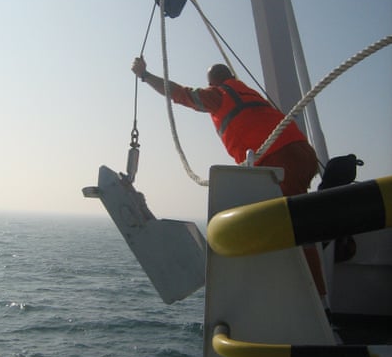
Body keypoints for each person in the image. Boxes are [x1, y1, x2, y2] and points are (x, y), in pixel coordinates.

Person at [132, 57, 327, 296]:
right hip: (304, 155)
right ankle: (314, 287)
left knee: (293, 229)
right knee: (296, 220)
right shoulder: (248, 92)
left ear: (214, 81)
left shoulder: (219, 94)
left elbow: (180, 94)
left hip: (280, 160)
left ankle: (316, 300)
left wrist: (145, 75)